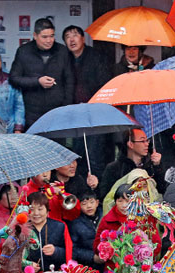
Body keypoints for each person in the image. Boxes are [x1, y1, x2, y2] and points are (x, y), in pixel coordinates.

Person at [62, 25, 112, 180]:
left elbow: (104, 84)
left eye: (75, 35)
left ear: (83, 39)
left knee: (95, 154)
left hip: (94, 113)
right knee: (77, 154)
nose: (72, 39)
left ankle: (97, 194)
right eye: (68, 36)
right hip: (73, 114)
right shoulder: (64, 59)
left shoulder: (96, 57)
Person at [9, 17, 74, 128]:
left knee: (56, 144)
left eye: (52, 36)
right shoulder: (24, 51)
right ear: (35, 36)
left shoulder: (62, 51)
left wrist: (66, 107)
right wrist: (37, 81)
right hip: (32, 112)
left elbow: (70, 80)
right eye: (44, 37)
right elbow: (14, 78)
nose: (49, 40)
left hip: (57, 110)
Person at [100, 128, 164, 200]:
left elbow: (162, 189)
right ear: (130, 144)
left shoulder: (151, 165)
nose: (147, 144)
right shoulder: (114, 168)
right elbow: (106, 196)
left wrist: (157, 166)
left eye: (147, 140)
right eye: (142, 141)